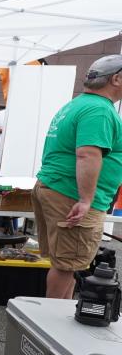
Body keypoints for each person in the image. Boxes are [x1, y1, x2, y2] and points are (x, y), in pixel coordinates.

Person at [33, 55, 122, 299]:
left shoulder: (79, 104)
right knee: (67, 265)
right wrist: (85, 200)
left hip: (59, 189)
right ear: (116, 78)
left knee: (68, 264)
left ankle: (57, 316)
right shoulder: (98, 110)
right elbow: (87, 154)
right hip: (71, 195)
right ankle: (49, 326)